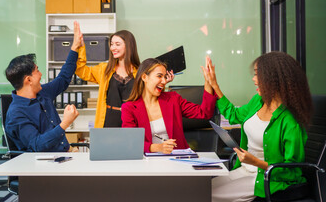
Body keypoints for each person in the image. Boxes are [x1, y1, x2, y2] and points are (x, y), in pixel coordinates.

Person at [204, 52, 312, 201]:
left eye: (258, 74)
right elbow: (233, 114)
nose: (254, 80)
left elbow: (291, 171)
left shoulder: (290, 121)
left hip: (267, 179)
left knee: (208, 196)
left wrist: (255, 162)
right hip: (245, 170)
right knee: (201, 189)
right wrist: (214, 85)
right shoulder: (257, 101)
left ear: (274, 79)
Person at [4, 21, 84, 152]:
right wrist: (65, 123)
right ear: (28, 79)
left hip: (65, 152)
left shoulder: (42, 92)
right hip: (43, 164)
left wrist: (75, 47)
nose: (41, 74)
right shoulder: (16, 114)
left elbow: (63, 78)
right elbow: (37, 145)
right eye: (37, 71)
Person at [75, 30, 174, 128]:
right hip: (109, 121)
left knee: (133, 144)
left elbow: (151, 96)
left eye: (117, 44)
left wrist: (162, 82)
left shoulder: (141, 72)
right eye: (112, 44)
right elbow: (81, 70)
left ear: (129, 46)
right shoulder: (104, 69)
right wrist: (81, 47)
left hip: (133, 120)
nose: (113, 48)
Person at [121, 58, 217, 153]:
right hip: (148, 161)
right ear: (144, 77)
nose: (164, 81)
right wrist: (157, 147)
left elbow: (204, 113)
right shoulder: (129, 108)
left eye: (165, 76)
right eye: (159, 76)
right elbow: (131, 141)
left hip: (178, 159)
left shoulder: (173, 99)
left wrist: (208, 82)